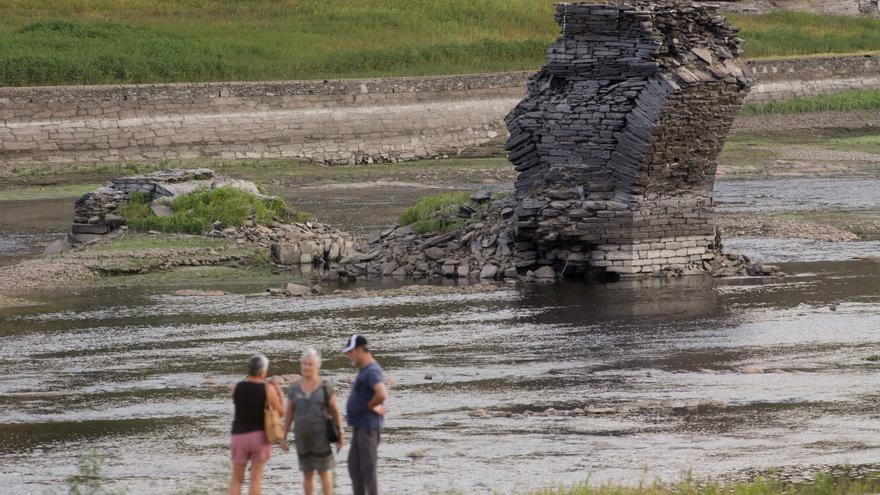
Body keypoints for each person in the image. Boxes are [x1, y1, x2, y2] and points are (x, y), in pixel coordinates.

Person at [281, 349, 344, 495]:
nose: (306, 367)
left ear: (317, 366)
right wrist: (283, 437)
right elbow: (289, 413)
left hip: (321, 437)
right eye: (304, 364)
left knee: (324, 473)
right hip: (302, 437)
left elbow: (335, 412)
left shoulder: (325, 387)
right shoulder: (294, 388)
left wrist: (341, 434)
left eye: (310, 364)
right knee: (307, 474)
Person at [229, 354, 284, 495]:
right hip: (259, 437)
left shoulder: (237, 388)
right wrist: (279, 392)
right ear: (263, 372)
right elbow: (281, 412)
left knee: (236, 479)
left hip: (239, 436)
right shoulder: (267, 389)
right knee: (255, 479)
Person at [342, 335, 387, 495]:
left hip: (368, 428)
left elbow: (381, 393)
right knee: (354, 467)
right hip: (359, 427)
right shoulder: (365, 370)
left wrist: (371, 405)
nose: (348, 356)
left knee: (368, 470)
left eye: (350, 352)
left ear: (360, 349)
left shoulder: (372, 370)